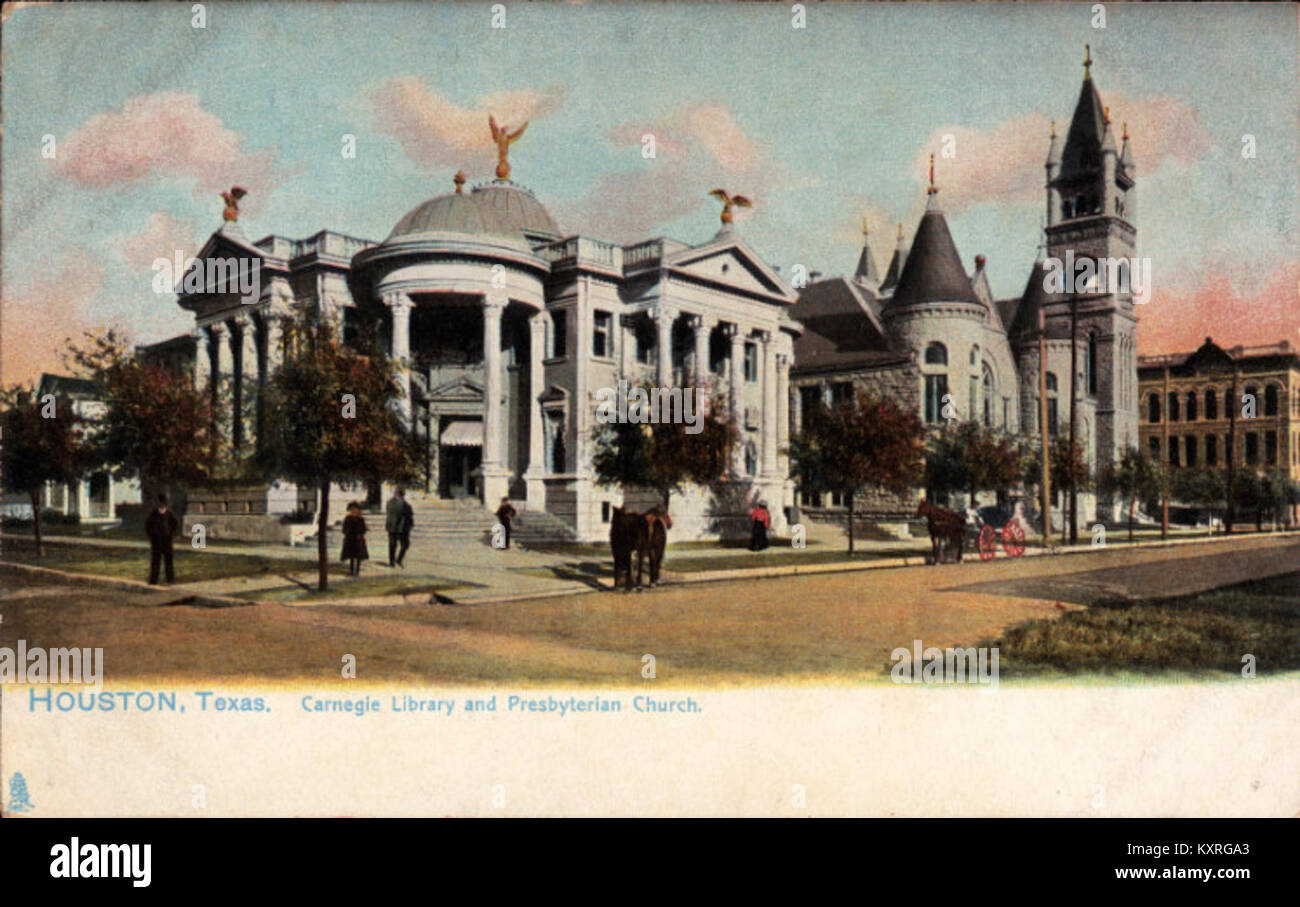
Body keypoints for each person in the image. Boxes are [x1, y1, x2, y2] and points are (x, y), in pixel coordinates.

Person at [145, 493, 180, 584]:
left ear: (165, 504)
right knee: (155, 561)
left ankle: (170, 579)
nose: (161, 505)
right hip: (156, 542)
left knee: (168, 561)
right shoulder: (153, 514)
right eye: (160, 503)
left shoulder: (170, 514)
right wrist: (152, 535)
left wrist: (171, 534)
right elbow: (148, 526)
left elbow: (176, 524)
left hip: (167, 541)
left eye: (163, 503)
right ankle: (153, 580)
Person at [385, 488, 414, 568]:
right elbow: (408, 515)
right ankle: (397, 560)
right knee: (402, 544)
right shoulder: (404, 504)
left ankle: (393, 561)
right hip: (401, 527)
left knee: (393, 545)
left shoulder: (390, 502)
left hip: (393, 527)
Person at [340, 501, 369, 576]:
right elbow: (344, 529)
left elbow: (364, 529)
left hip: (358, 539)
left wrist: (360, 533)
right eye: (353, 509)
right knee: (351, 556)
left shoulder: (360, 519)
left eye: (356, 509)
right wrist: (347, 533)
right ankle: (352, 571)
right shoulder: (348, 518)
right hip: (350, 539)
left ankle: (357, 571)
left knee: (358, 556)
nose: (354, 511)